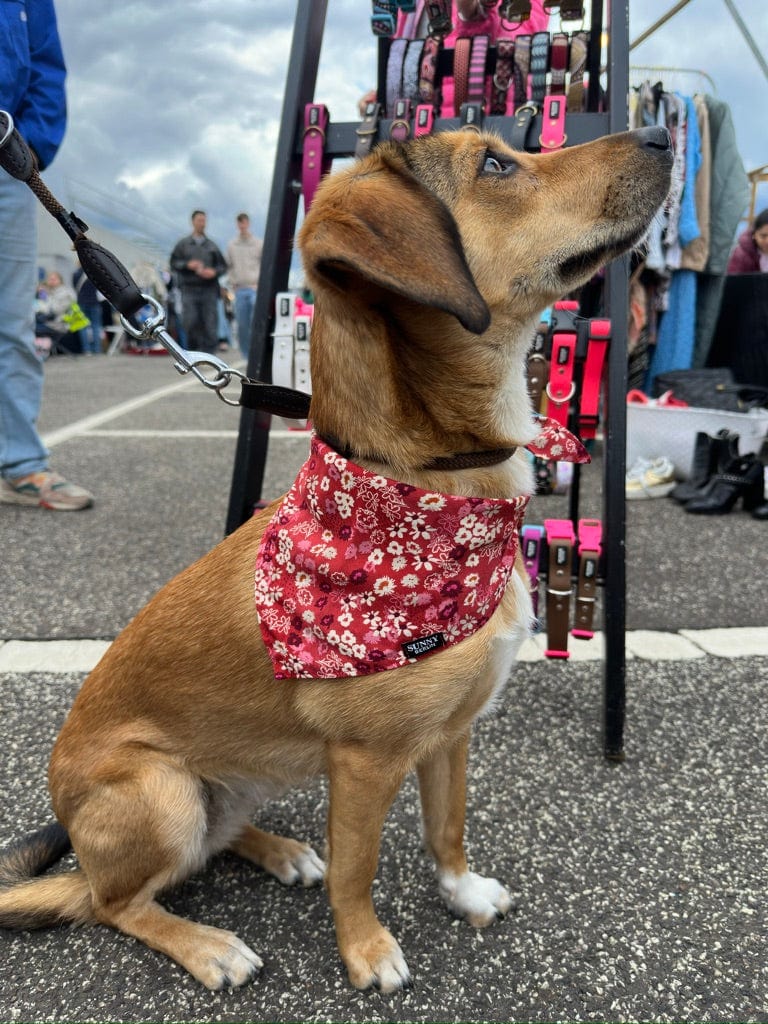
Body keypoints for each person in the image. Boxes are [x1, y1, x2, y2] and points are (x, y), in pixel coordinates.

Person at [0, 0, 93, 510]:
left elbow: (45, 65)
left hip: (3, 159)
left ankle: (19, 463)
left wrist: (28, 146)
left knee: (10, 323)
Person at [169, 210, 227, 355]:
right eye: (199, 220)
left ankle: (210, 355)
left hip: (209, 289)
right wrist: (187, 265)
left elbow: (222, 266)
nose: (202, 223)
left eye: (204, 220)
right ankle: (193, 354)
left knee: (210, 323)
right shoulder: (183, 244)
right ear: (193, 222)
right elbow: (173, 263)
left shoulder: (212, 245)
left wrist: (214, 272)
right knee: (190, 321)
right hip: (189, 289)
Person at [225, 212, 262, 358]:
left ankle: (257, 353)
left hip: (255, 288)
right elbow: (228, 265)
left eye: (244, 222)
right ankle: (246, 356)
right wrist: (232, 281)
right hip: (239, 289)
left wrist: (260, 283)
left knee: (256, 321)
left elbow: (264, 264)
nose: (242, 225)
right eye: (240, 222)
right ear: (237, 224)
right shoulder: (232, 245)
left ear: (248, 223)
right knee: (242, 324)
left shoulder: (258, 244)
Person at [73, 260, 103, 354]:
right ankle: (97, 349)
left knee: (82, 326)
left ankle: (86, 349)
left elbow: (75, 287)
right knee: (96, 326)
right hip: (94, 302)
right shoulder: (95, 273)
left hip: (81, 302)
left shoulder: (76, 274)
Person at [726, 209, 768, 274]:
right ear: (754, 235)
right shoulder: (741, 256)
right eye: (763, 236)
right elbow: (733, 279)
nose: (767, 241)